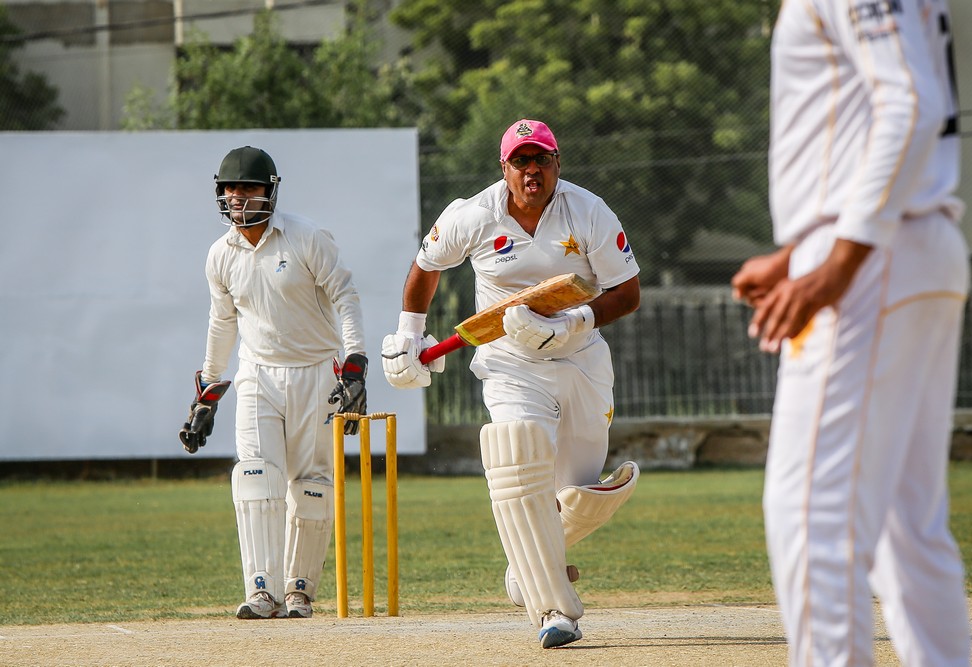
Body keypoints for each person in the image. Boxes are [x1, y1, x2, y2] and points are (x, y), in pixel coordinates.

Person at [731, 1, 972, 665]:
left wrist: (837, 261)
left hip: (873, 256)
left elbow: (912, 104)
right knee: (906, 527)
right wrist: (799, 252)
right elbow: (870, 117)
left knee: (812, 513)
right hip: (905, 240)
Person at [382, 119, 641, 649]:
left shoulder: (589, 211)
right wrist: (409, 334)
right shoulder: (474, 215)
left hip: (581, 359)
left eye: (541, 159)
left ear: (557, 164)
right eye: (520, 161)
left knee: (579, 494)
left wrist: (572, 324)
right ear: (504, 168)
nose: (531, 171)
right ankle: (554, 610)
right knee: (517, 457)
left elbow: (627, 292)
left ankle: (528, 565)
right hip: (509, 363)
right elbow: (426, 265)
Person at [179, 146, 368, 620]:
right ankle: (261, 590)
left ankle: (299, 589)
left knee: (311, 485)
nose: (237, 197)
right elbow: (222, 322)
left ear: (270, 191)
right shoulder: (220, 255)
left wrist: (355, 365)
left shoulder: (305, 237)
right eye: (230, 188)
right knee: (255, 478)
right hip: (257, 375)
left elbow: (345, 296)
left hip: (316, 373)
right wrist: (208, 391)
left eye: (248, 187)